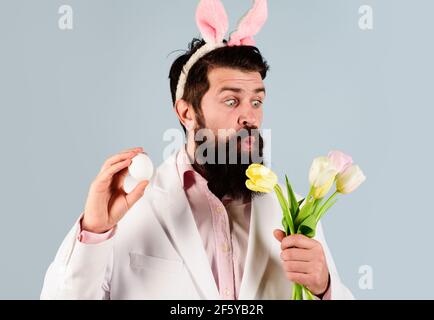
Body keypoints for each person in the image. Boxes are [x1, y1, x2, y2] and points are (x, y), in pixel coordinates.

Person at [41, 0, 353, 300]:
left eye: (256, 101)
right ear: (187, 112)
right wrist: (94, 233)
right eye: (231, 100)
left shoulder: (295, 213)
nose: (251, 116)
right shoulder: (127, 209)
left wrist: (324, 288)